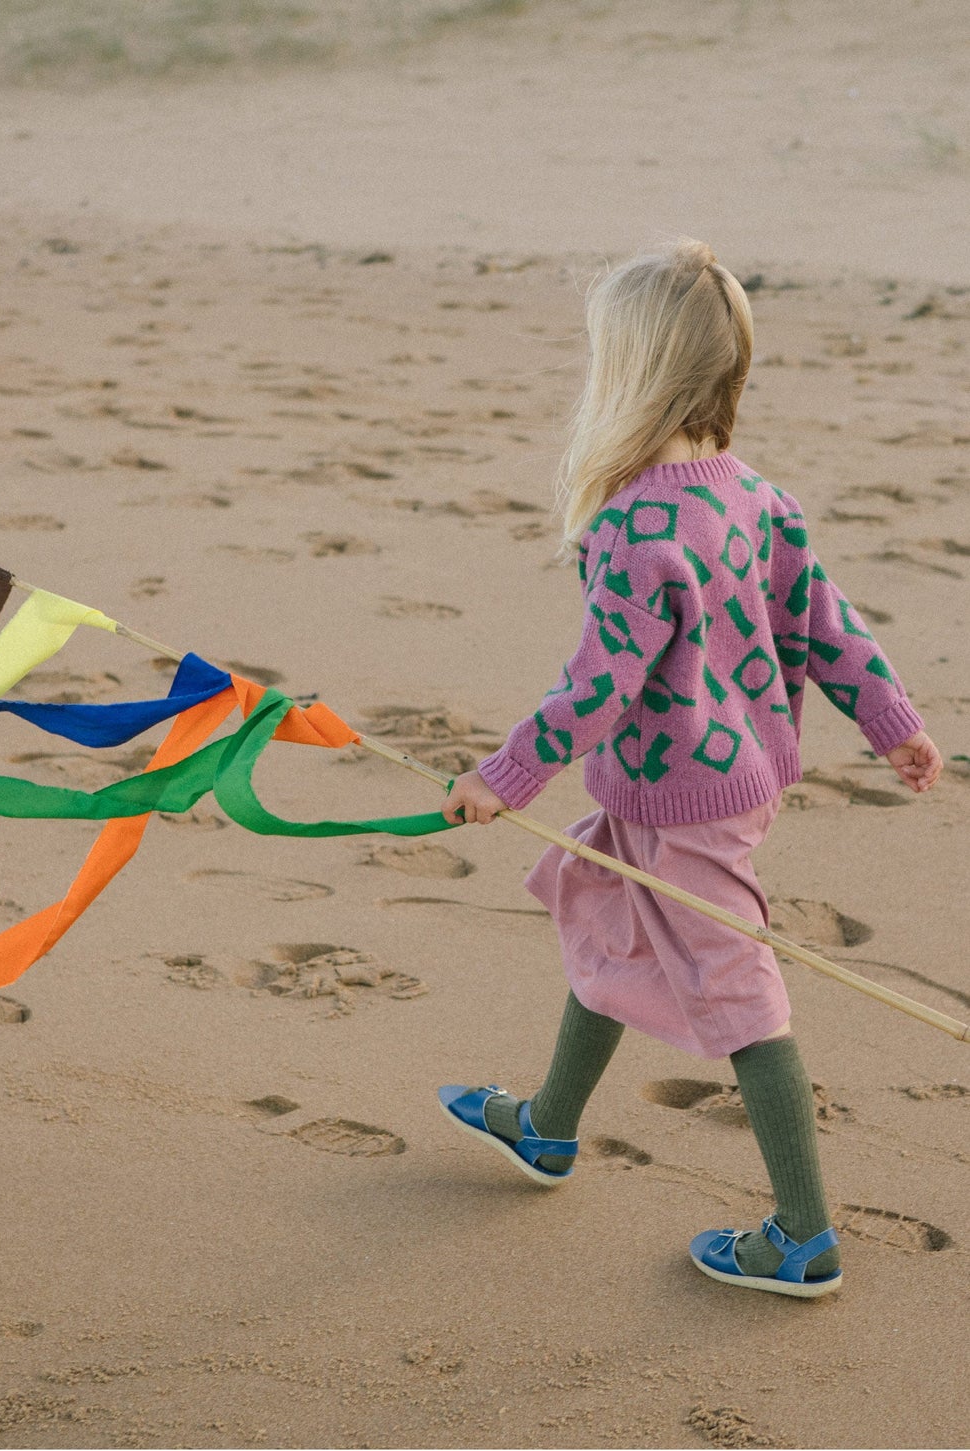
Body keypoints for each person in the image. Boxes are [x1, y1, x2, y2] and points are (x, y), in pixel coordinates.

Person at [437, 238, 943, 1300]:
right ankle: (546, 1126)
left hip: (687, 805)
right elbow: (831, 621)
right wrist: (886, 715)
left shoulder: (633, 526)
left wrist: (505, 775)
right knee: (612, 921)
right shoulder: (751, 491)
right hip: (724, 778)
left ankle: (800, 1232)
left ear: (627, 375)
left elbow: (596, 683)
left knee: (738, 994)